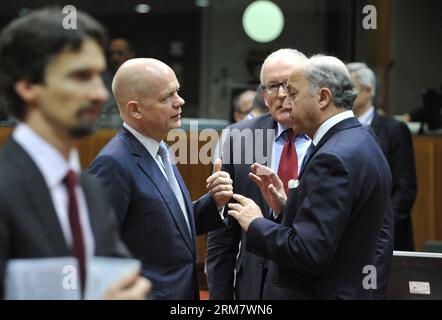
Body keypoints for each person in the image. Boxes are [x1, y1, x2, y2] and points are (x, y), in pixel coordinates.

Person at [0, 8, 150, 299]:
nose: (100, 93)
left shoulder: (88, 188)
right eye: (81, 76)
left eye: (98, 76)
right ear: (28, 86)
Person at [227, 55, 393, 299]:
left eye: (293, 93)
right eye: (276, 89)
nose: (286, 101)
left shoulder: (332, 158)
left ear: (323, 97)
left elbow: (308, 252)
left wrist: (255, 223)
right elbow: (336, 228)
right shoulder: (361, 139)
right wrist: (286, 208)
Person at [88, 58, 233, 300]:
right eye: (167, 97)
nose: (180, 101)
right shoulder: (113, 163)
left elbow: (166, 226)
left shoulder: (159, 149)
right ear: (135, 109)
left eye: (177, 91)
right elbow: (97, 253)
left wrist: (214, 202)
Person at [206, 49, 311, 300]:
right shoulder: (239, 138)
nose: (282, 94)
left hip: (313, 284)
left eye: (290, 84)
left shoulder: (332, 139)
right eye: (273, 86)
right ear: (264, 95)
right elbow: (222, 233)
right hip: (255, 287)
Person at [347, 62, 417, 251]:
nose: (343, 93)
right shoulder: (339, 128)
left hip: (385, 236)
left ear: (368, 90)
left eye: (349, 88)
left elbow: (405, 189)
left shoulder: (393, 129)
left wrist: (379, 228)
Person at [100, 38, 136, 127]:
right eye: (112, 54)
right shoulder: (100, 81)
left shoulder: (143, 80)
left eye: (120, 53)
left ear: (131, 54)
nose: (115, 58)